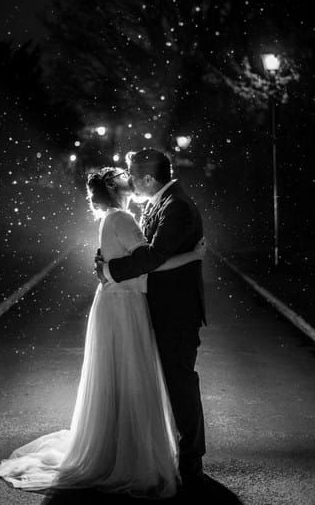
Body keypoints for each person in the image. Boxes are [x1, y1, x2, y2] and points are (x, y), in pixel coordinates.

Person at [0, 165, 205, 499]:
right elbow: (148, 262)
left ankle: (116, 447)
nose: (132, 184)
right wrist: (193, 256)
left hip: (115, 302)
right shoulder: (122, 218)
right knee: (130, 376)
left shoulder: (111, 217)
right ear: (118, 189)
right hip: (125, 305)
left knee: (117, 377)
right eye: (127, 181)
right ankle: (129, 455)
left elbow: (128, 260)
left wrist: (106, 267)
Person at [95, 148, 207, 488]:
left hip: (176, 311)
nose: (129, 181)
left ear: (147, 178)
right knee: (158, 381)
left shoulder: (177, 207)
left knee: (180, 381)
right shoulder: (159, 204)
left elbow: (153, 257)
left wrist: (109, 270)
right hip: (154, 306)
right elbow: (140, 253)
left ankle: (191, 458)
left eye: (132, 175)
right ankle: (160, 450)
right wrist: (105, 262)